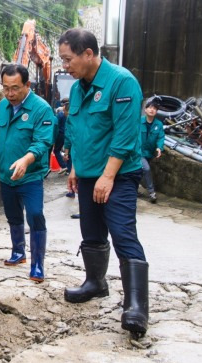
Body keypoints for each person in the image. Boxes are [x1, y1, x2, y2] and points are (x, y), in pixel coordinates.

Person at [58, 28, 149, 335]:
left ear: (88, 54)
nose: (65, 66)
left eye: (68, 59)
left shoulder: (121, 82)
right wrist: (74, 167)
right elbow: (78, 129)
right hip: (86, 174)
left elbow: (125, 135)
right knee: (92, 232)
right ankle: (96, 283)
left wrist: (108, 176)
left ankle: (136, 306)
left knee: (123, 233)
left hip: (119, 175)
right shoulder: (80, 87)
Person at [0, 64, 54, 283]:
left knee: (35, 215)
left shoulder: (41, 109)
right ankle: (18, 252)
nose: (10, 94)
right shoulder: (3, 106)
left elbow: (43, 141)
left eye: (15, 88)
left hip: (31, 175)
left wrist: (26, 160)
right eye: (5, 88)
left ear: (27, 84)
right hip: (7, 175)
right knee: (13, 215)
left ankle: (37, 265)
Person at [140, 99, 165, 203]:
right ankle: (151, 193)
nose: (152, 110)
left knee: (140, 172)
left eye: (154, 108)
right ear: (145, 110)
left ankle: (134, 189)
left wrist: (159, 147)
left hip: (149, 153)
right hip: (138, 152)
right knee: (146, 169)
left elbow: (160, 137)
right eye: (150, 107)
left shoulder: (158, 124)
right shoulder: (139, 121)